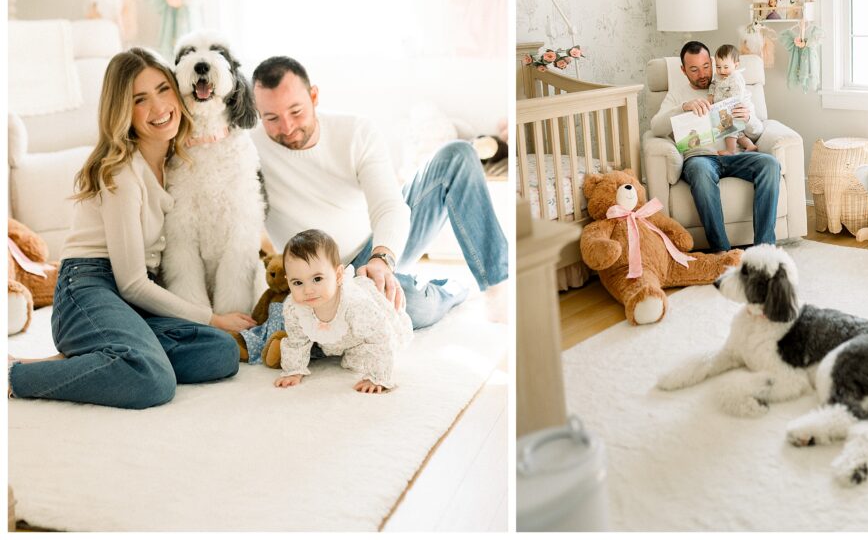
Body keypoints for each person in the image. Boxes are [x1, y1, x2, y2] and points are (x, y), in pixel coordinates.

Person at [8, 49, 251, 408]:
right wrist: (213, 317)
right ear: (123, 110)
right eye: (140, 99)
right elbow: (132, 283)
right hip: (88, 288)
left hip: (134, 299)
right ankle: (14, 375)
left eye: (164, 89)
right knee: (152, 379)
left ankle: (107, 355)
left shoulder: (175, 162)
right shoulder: (122, 172)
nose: (159, 107)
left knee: (220, 351)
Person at [250, 56, 507, 330]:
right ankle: (451, 290)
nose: (287, 127)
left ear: (313, 96)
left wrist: (381, 258)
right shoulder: (248, 150)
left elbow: (389, 206)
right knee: (407, 305)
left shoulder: (355, 131)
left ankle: (498, 288)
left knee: (458, 155)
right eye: (272, 118)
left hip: (374, 247)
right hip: (319, 278)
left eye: (296, 112)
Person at [650, 40, 781, 253]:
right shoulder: (677, 95)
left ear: (712, 62)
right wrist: (683, 107)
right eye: (694, 69)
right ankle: (722, 251)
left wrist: (747, 118)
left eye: (706, 66)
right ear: (683, 70)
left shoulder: (733, 86)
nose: (702, 74)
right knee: (700, 171)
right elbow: (655, 127)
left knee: (770, 164)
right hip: (701, 158)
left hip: (735, 155)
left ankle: (764, 249)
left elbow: (757, 132)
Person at [274, 229, 412, 393]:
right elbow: (297, 340)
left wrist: (377, 377)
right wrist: (293, 370)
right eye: (297, 282)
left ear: (338, 275)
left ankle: (430, 289)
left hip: (375, 329)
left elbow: (380, 337)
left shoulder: (356, 305)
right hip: (344, 339)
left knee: (357, 362)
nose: (308, 290)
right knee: (343, 358)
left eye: (317, 279)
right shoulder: (295, 308)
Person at [710, 43, 758, 155]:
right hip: (721, 108)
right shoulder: (717, 76)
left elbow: (738, 93)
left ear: (736, 65)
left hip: (732, 108)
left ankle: (730, 150)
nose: (722, 71)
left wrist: (729, 103)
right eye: (718, 67)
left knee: (729, 131)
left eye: (726, 67)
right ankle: (750, 145)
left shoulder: (735, 77)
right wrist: (710, 95)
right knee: (739, 133)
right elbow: (713, 84)